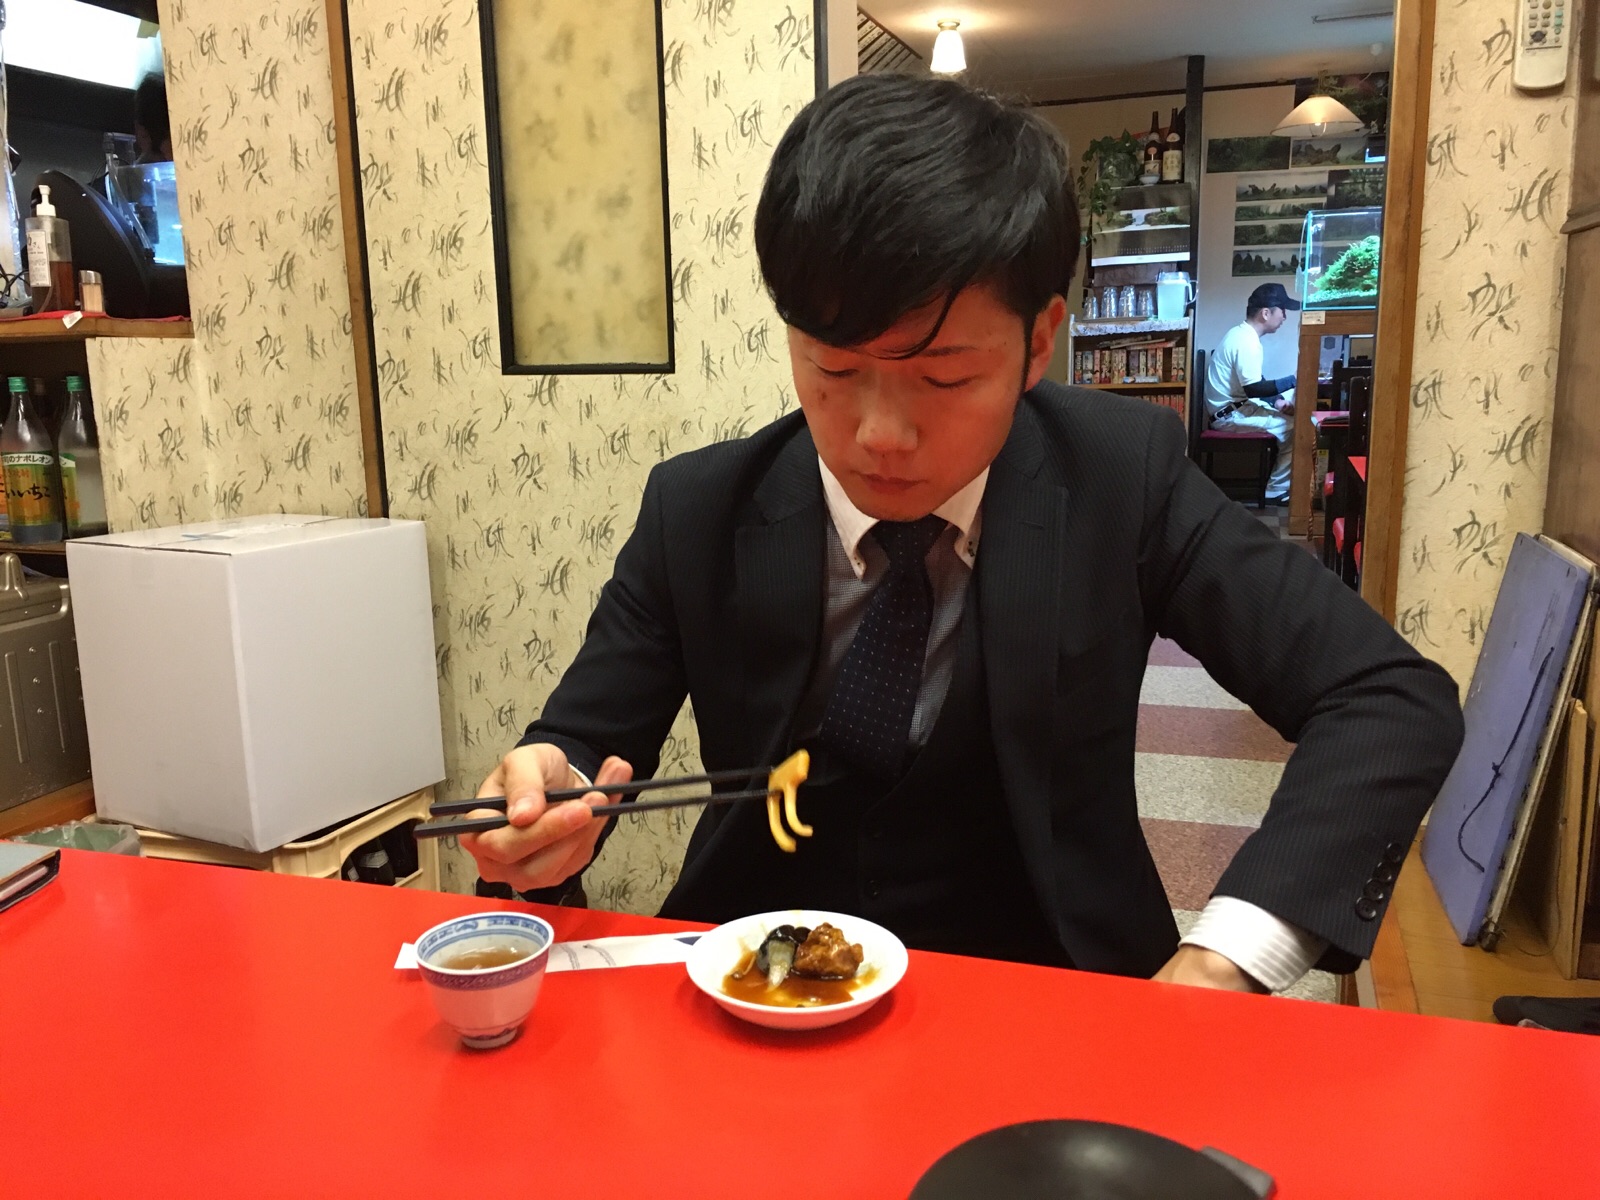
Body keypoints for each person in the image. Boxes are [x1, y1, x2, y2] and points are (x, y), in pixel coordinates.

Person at [463, 75, 1463, 994]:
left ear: (1039, 341)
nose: (880, 435)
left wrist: (1225, 958)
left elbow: (1385, 697)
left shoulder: (1123, 478)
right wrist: (548, 801)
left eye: (943, 377)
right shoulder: (697, 509)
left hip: (1051, 990)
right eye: (833, 368)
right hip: (760, 988)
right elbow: (582, 750)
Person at [1205, 284, 1301, 504]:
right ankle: (1276, 490)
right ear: (1266, 313)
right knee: (1296, 428)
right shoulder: (1247, 341)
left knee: (1289, 412)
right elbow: (1254, 389)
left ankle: (1278, 486)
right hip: (1230, 416)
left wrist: (1277, 401)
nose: (1285, 317)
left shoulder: (1241, 334)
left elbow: (1254, 384)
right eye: (1282, 310)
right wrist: (1294, 379)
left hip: (1233, 409)